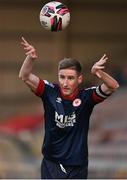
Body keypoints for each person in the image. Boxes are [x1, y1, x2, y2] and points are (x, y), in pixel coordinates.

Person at [19, 36, 119, 179]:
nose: (65, 83)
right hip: (52, 163)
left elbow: (113, 86)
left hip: (78, 165)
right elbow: (24, 76)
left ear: (79, 79)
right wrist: (30, 58)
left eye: (70, 78)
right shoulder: (50, 91)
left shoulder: (86, 97)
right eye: (62, 77)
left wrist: (100, 73)